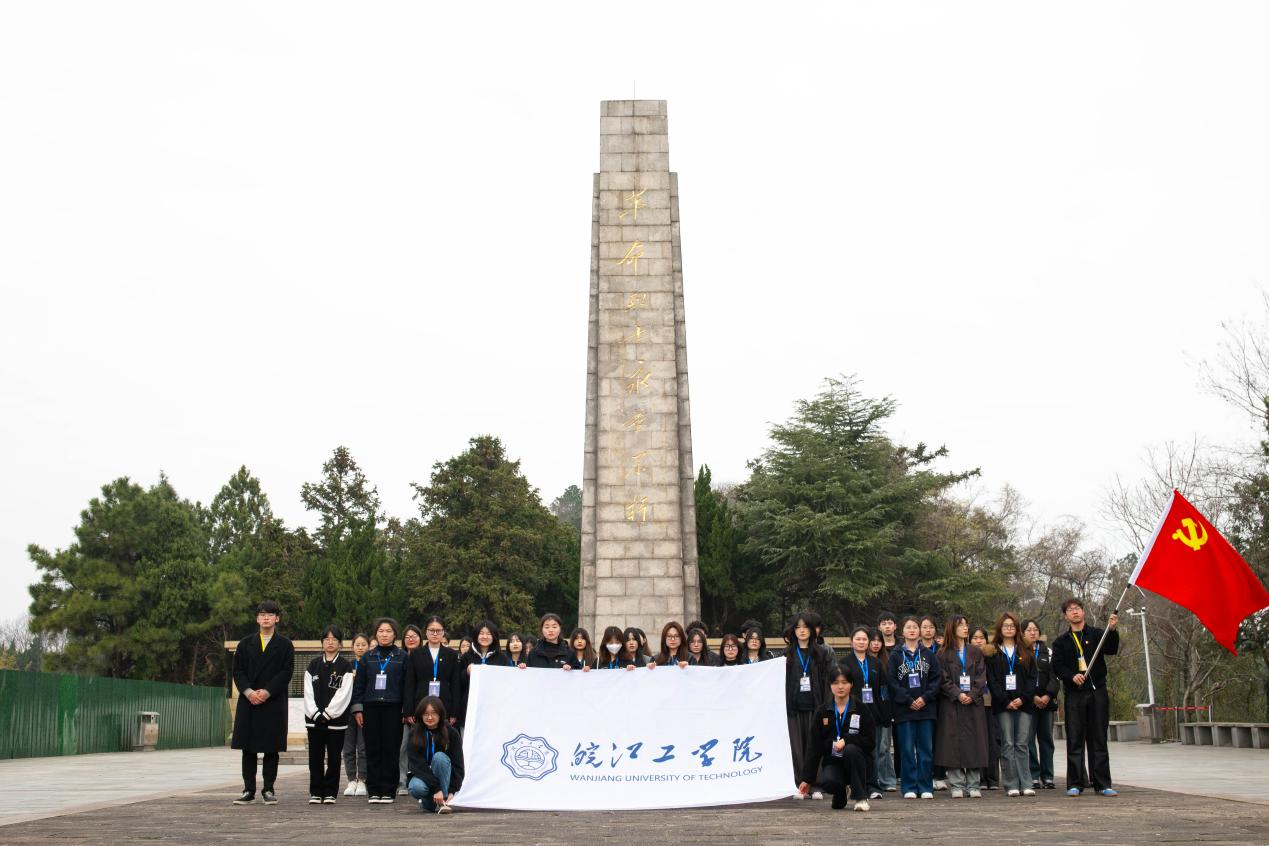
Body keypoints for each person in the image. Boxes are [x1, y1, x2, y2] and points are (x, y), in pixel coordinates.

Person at [1050, 597, 1120, 797]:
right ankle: (1075, 783)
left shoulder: (1097, 634)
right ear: (1066, 616)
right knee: (1075, 739)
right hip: (1074, 694)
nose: (1074, 612)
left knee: (1098, 738)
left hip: (1097, 691)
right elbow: (1057, 666)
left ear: (1083, 611)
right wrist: (1072, 676)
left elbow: (1111, 649)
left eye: (1077, 608)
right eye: (1070, 609)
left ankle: (1102, 783)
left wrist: (1112, 630)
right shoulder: (1061, 642)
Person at [231, 601, 294, 806]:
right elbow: (237, 671)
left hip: (272, 701)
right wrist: (249, 692)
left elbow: (286, 672)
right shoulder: (244, 644)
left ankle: (268, 789)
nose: (266, 618)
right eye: (262, 614)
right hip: (249, 701)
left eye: (270, 614)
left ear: (277, 618)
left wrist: (267, 692)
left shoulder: (284, 644)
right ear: (257, 618)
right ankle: (248, 790)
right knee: (248, 749)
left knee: (271, 748)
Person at [798, 667, 874, 811]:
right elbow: (814, 747)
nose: (840, 687)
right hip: (833, 762)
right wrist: (807, 779)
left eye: (844, 682)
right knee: (828, 782)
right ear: (830, 685)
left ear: (851, 684)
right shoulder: (822, 712)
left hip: (859, 763)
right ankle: (841, 791)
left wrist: (847, 740)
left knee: (851, 750)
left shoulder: (861, 709)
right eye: (836, 683)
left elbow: (870, 742)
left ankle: (861, 797)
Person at [351, 617, 408, 804]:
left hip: (394, 708)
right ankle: (374, 790)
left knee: (391, 749)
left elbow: (407, 686)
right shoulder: (368, 657)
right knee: (373, 749)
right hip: (371, 707)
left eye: (388, 631)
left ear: (395, 634)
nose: (384, 634)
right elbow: (359, 686)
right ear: (375, 634)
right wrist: (358, 710)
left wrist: (406, 710)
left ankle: (389, 790)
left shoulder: (402, 657)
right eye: (381, 631)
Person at [934, 616, 988, 799]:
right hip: (952, 704)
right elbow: (942, 679)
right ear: (952, 628)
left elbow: (981, 676)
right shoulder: (942, 654)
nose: (965, 628)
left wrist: (972, 694)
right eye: (961, 625)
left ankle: (973, 784)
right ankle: (957, 784)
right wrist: (957, 693)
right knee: (952, 743)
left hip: (973, 704)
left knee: (974, 742)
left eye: (966, 625)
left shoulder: (975, 652)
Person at [887, 615, 940, 800]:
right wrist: (908, 700)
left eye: (915, 627)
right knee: (907, 749)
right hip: (904, 710)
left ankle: (925, 786)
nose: (912, 630)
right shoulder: (895, 655)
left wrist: (924, 698)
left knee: (926, 750)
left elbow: (936, 679)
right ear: (902, 631)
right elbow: (892, 681)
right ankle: (909, 786)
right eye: (908, 627)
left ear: (919, 631)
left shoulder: (929, 654)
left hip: (926, 709)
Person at [986, 612, 1037, 797]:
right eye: (1005, 625)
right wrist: (1005, 700)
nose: (1009, 628)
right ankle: (1011, 784)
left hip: (1024, 704)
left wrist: (1023, 698)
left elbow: (1032, 678)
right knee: (1007, 743)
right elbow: (992, 680)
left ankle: (1026, 783)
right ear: (1000, 628)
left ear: (1017, 629)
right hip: (1003, 705)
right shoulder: (992, 652)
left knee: (1022, 743)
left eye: (1012, 626)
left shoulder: (1026, 650)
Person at [303, 624, 356, 804]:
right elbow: (308, 692)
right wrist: (315, 713)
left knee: (334, 758)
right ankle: (316, 791)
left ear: (340, 644)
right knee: (315, 758)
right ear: (322, 642)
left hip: (336, 722)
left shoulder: (345, 666)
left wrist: (328, 713)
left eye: (334, 639)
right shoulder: (313, 665)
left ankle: (330, 792)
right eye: (327, 639)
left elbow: (344, 694)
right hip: (314, 721)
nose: (330, 642)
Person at [785, 612, 832, 798]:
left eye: (805, 627)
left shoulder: (821, 653)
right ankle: (800, 785)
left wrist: (826, 707)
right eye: (798, 627)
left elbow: (827, 682)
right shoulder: (787, 654)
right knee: (797, 749)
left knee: (815, 747)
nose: (802, 631)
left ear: (812, 630)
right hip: (794, 708)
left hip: (816, 706)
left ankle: (816, 785)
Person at [842, 626, 885, 799]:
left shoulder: (876, 663)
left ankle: (873, 786)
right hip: (852, 713)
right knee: (854, 750)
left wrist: (884, 712)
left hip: (873, 714)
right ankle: (855, 785)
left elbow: (882, 690)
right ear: (851, 641)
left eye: (864, 639)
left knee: (873, 751)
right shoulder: (844, 663)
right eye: (858, 639)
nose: (861, 642)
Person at [405, 696, 464, 814]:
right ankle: (430, 804)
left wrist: (453, 790)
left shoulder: (451, 732)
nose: (430, 717)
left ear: (440, 714)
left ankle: (444, 801)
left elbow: (458, 765)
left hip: (446, 779)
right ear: (420, 715)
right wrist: (437, 789)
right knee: (416, 787)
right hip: (424, 777)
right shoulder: (414, 733)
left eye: (433, 713)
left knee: (439, 757)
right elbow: (416, 765)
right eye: (426, 714)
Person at [404, 616, 462, 727]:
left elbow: (455, 685)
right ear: (426, 632)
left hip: (444, 704)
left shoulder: (451, 654)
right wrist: (409, 711)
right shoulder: (416, 654)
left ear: (443, 632)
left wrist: (454, 712)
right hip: (420, 704)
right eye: (431, 630)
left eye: (438, 630)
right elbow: (409, 684)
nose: (435, 634)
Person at [1023, 619, 1059, 789]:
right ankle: (1034, 775)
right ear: (1022, 633)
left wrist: (1048, 695)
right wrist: (1033, 697)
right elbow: (1020, 678)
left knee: (1046, 740)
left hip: (1047, 703)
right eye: (1029, 630)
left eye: (1035, 629)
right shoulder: (1020, 652)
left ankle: (1048, 776)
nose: (1033, 632)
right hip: (1028, 702)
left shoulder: (1048, 651)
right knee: (1029, 740)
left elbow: (1055, 676)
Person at [458, 620, 513, 724]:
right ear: (476, 635)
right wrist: (466, 673)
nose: (485, 636)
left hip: (494, 709)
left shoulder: (503, 658)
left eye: (488, 634)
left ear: (494, 636)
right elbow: (458, 683)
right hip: (470, 707)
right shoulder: (466, 657)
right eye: (481, 633)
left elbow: (509, 682)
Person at [970, 626, 1001, 789]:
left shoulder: (993, 656)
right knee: (977, 740)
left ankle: (993, 778)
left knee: (992, 741)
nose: (978, 641)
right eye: (974, 638)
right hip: (974, 702)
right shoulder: (967, 657)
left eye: (981, 638)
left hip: (991, 703)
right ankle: (980, 778)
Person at [867, 628, 897, 792]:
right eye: (873, 640)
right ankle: (871, 779)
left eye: (879, 641)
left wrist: (888, 711)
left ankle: (887, 780)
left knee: (884, 748)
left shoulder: (888, 661)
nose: (876, 644)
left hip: (884, 710)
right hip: (866, 710)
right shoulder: (861, 661)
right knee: (870, 748)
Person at [342, 632, 370, 797]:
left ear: (369, 646)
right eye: (357, 645)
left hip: (365, 711)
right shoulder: (346, 666)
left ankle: (363, 780)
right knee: (348, 748)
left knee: (363, 748)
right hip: (347, 712)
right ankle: (351, 779)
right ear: (352, 647)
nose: (360, 648)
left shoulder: (371, 664)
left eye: (363, 645)